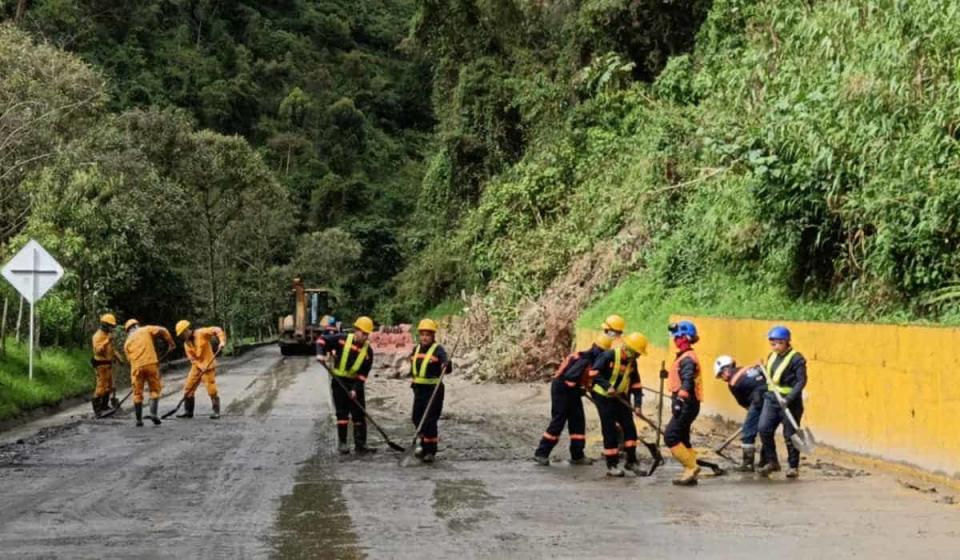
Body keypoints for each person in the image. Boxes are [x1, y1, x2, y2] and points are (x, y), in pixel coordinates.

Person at [534, 334, 612, 466]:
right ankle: (541, 453)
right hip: (562, 388)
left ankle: (577, 456)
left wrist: (582, 388)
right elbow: (570, 378)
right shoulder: (585, 359)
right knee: (559, 420)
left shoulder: (589, 358)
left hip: (571, 390)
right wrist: (580, 388)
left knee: (578, 420)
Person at [587, 332, 649, 477]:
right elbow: (593, 373)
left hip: (620, 397)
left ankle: (631, 461)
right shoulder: (608, 356)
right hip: (603, 397)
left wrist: (638, 405)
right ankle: (612, 465)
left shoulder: (632, 363)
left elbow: (636, 385)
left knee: (630, 429)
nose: (638, 356)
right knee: (609, 430)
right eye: (637, 353)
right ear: (628, 350)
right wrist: (607, 386)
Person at [317, 316, 376, 454]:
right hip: (339, 382)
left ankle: (361, 445)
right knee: (342, 414)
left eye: (367, 334)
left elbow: (363, 375)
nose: (364, 336)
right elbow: (321, 341)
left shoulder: (368, 352)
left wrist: (355, 390)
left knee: (359, 414)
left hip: (355, 384)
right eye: (362, 333)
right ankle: (343, 443)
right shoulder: (342, 339)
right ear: (356, 330)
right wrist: (320, 354)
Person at [757, 325, 807, 478]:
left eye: (779, 343)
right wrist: (761, 368)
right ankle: (772, 461)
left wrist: (789, 398)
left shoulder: (797, 359)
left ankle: (793, 466)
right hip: (772, 399)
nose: (775, 346)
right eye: (773, 344)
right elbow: (770, 376)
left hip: (790, 402)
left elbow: (801, 381)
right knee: (764, 428)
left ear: (787, 342)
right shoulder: (772, 356)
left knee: (790, 434)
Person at [665, 320, 703, 486]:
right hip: (689, 402)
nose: (675, 340)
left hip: (687, 402)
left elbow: (687, 379)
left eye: (677, 337)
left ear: (685, 338)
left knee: (671, 436)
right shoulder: (684, 356)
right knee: (683, 438)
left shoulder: (687, 358)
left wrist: (680, 399)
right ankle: (691, 472)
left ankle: (691, 467)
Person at [714, 355, 767, 472]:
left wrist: (751, 417)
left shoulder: (733, 383)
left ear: (726, 369)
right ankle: (766, 460)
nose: (722, 378)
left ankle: (748, 464)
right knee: (767, 431)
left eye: (720, 375)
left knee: (748, 432)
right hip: (771, 397)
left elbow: (743, 402)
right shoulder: (749, 368)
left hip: (758, 400)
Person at [409, 319, 451, 463]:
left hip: (434, 391)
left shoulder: (438, 350)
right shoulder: (416, 349)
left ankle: (430, 450)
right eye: (422, 334)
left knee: (430, 420)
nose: (425, 337)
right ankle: (422, 443)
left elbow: (447, 366)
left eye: (428, 335)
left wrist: (446, 364)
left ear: (433, 336)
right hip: (419, 390)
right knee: (416, 418)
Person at [123, 319, 175, 427]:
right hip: (151, 364)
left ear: (128, 331)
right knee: (154, 390)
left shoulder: (127, 342)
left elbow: (129, 360)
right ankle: (153, 413)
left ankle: (138, 420)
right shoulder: (145, 329)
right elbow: (163, 330)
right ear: (137, 325)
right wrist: (171, 343)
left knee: (137, 393)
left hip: (136, 368)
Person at [175, 320, 227, 420]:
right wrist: (199, 366)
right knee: (188, 388)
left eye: (182, 334)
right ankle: (188, 412)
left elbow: (217, 330)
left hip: (208, 365)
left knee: (211, 389)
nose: (182, 336)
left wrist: (222, 341)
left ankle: (216, 412)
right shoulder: (187, 344)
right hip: (197, 366)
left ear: (186, 330)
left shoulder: (201, 333)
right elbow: (192, 359)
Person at [91, 313, 122, 416]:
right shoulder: (97, 336)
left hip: (108, 365)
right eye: (110, 326)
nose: (111, 328)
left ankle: (105, 406)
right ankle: (97, 410)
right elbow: (98, 350)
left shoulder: (108, 336)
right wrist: (107, 341)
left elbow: (111, 349)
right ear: (104, 325)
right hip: (101, 365)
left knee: (109, 386)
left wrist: (118, 357)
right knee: (101, 387)